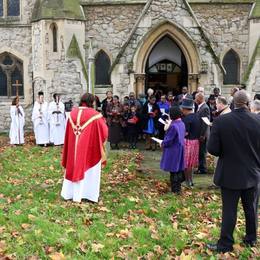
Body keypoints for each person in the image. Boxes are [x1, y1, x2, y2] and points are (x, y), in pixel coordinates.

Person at [207, 90, 260, 253]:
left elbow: (213, 149)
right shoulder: (258, 120)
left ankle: (225, 243)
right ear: (249, 103)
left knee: (229, 210)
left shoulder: (221, 121)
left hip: (230, 173)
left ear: (233, 103)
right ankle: (251, 239)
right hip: (252, 172)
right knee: (251, 208)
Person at [61, 93, 108, 203]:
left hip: (73, 150)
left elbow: (68, 133)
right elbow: (104, 131)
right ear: (91, 102)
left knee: (74, 166)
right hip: (89, 149)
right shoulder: (95, 115)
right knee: (90, 171)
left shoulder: (72, 114)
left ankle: (70, 194)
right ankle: (89, 195)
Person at [160, 106, 185, 194]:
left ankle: (175, 190)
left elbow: (169, 140)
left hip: (173, 151)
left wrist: (162, 142)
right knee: (178, 169)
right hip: (179, 149)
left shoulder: (173, 126)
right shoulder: (181, 123)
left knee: (173, 171)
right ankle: (178, 189)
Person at [181, 98, 200, 187]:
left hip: (188, 142)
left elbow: (186, 132)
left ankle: (188, 182)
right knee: (191, 164)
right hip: (195, 142)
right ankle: (191, 181)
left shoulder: (186, 119)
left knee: (186, 163)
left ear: (185, 109)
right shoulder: (197, 116)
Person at [195, 92, 210, 174]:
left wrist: (202, 135)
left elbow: (205, 122)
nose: (195, 100)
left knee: (202, 152)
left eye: (196, 98)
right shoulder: (200, 107)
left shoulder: (205, 108)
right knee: (200, 151)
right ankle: (200, 168)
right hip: (200, 133)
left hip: (203, 134)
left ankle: (203, 169)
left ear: (200, 98)